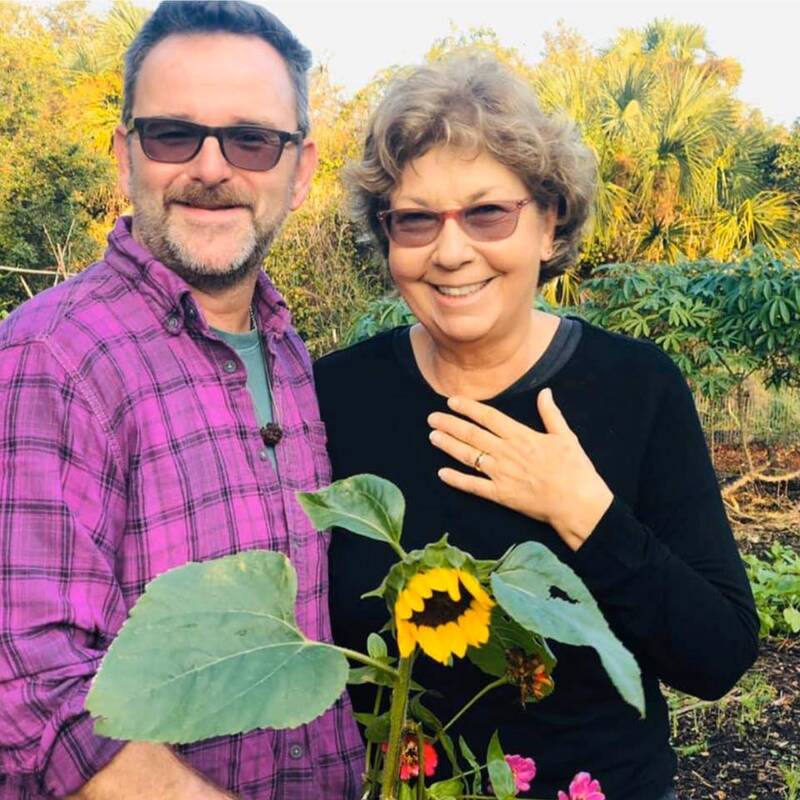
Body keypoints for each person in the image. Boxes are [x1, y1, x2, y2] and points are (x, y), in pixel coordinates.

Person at [314, 55, 759, 800]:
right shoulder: (335, 395)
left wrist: (584, 512)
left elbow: (717, 655)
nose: (450, 251)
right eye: (416, 220)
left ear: (550, 223)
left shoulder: (634, 387)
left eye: (488, 213)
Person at [0, 2, 363, 798]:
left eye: (250, 140)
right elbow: (29, 684)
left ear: (300, 170)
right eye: (173, 135)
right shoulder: (53, 356)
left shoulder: (290, 356)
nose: (210, 168)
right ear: (124, 155)